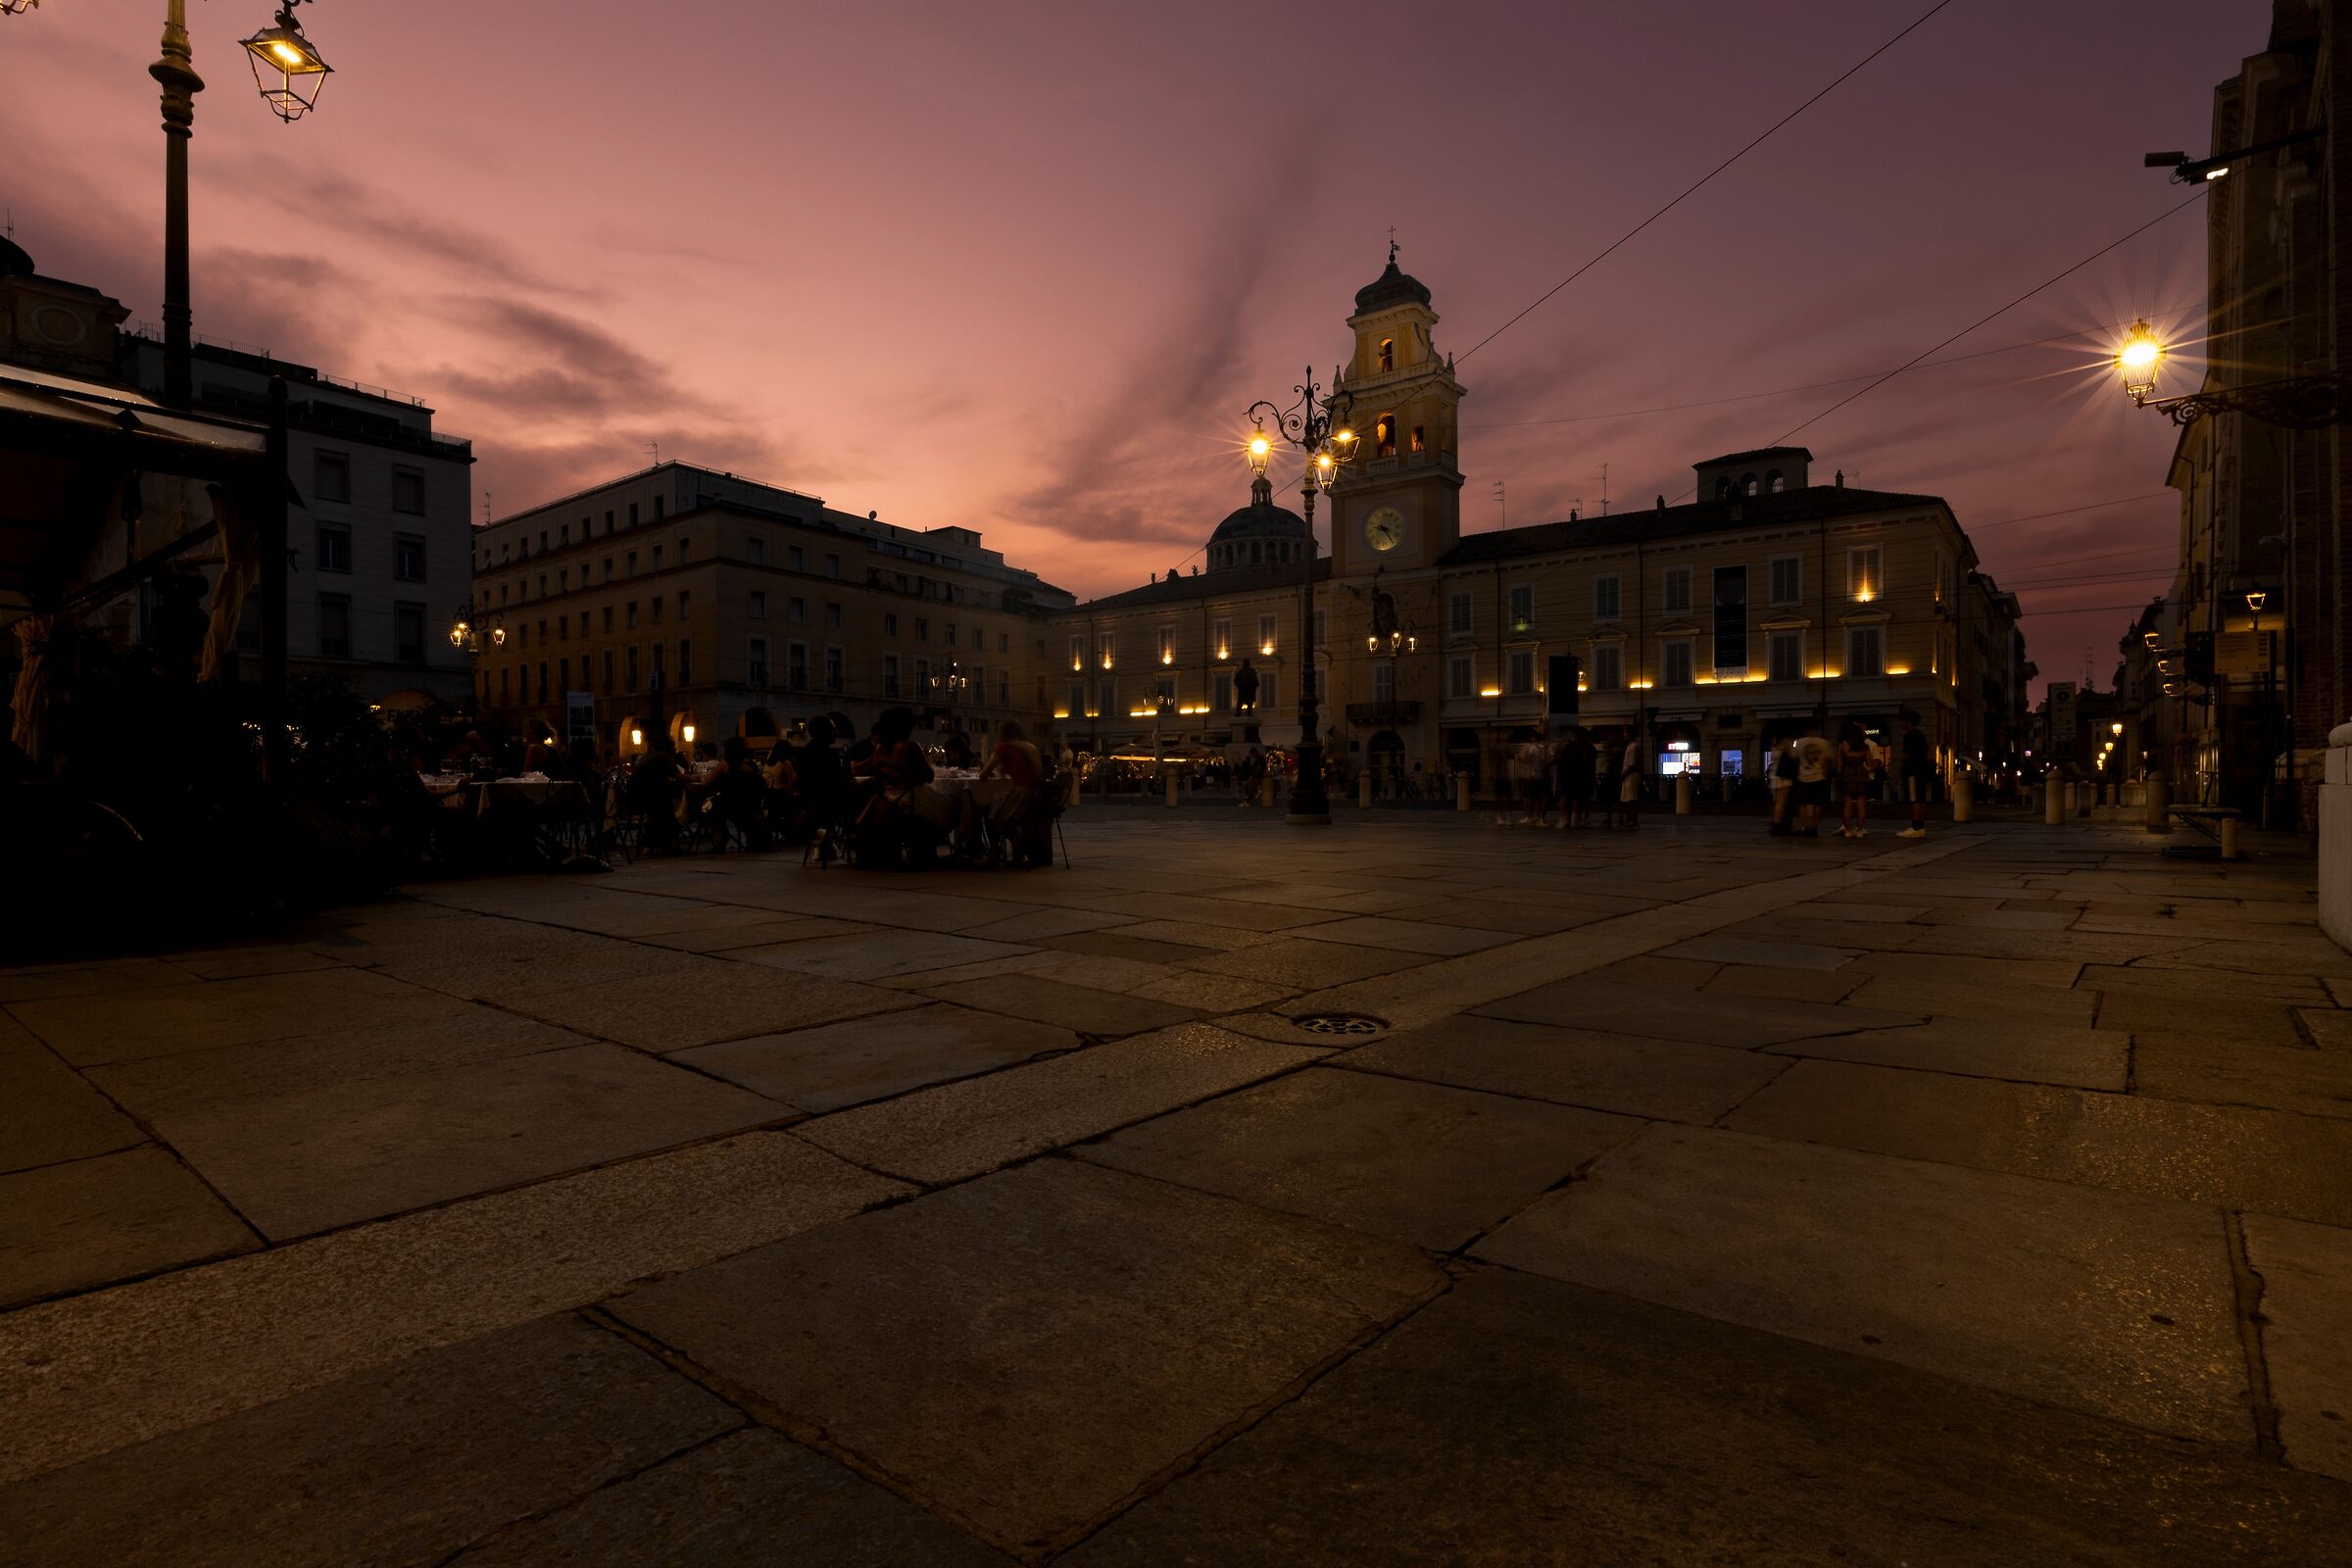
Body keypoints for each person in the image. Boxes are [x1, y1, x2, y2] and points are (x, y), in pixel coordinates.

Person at [977, 718, 1048, 863]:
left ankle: (996, 851)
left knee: (989, 814)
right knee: (996, 813)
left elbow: (983, 775)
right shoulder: (1029, 746)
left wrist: (986, 767)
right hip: (1035, 796)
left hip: (1020, 796)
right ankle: (1019, 846)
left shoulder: (1004, 747)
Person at [1790, 719, 1833, 838]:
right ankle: (1814, 827)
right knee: (1818, 803)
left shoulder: (1800, 742)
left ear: (1806, 730)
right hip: (1820, 776)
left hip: (1803, 777)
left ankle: (1805, 826)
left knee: (1804, 803)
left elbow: (1795, 758)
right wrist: (1825, 772)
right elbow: (1829, 760)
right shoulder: (1824, 743)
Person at [1897, 710, 1933, 838]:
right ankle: (1920, 826)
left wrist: (1902, 768)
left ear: (1908, 722)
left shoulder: (1908, 736)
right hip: (1922, 771)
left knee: (1915, 799)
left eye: (1902, 721)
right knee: (1921, 799)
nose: (1900, 723)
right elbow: (1927, 753)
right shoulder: (1920, 735)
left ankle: (1915, 827)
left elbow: (1905, 755)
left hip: (1913, 771)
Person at [1836, 721, 1874, 840]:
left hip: (1847, 774)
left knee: (1847, 803)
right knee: (1861, 803)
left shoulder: (1842, 747)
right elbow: (1869, 763)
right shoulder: (1865, 747)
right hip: (1861, 775)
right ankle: (1860, 830)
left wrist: (1839, 776)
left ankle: (1847, 830)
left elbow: (1839, 766)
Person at [1557, 726, 1597, 829]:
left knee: (1567, 797)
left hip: (1570, 776)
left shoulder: (1569, 747)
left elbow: (1562, 763)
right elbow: (1592, 764)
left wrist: (1560, 775)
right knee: (1577, 798)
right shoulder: (1589, 748)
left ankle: (1566, 818)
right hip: (1582, 776)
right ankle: (1575, 819)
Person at [1768, 734, 1798, 836]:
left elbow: (1773, 758)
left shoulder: (1774, 748)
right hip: (1783, 777)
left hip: (1776, 776)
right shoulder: (1784, 749)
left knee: (1779, 803)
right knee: (1781, 803)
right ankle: (1777, 826)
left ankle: (1777, 825)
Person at [1617, 731, 1643, 830]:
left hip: (1630, 774)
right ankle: (1630, 819)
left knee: (1632, 798)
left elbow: (1632, 764)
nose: (1623, 734)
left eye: (1625, 732)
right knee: (1628, 798)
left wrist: (1623, 775)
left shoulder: (1633, 747)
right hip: (1629, 774)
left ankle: (1633, 820)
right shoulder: (1631, 746)